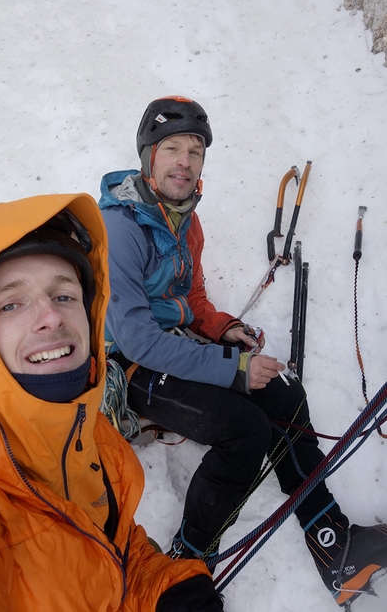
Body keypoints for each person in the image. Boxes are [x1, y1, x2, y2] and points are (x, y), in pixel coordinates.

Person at [98, 95, 387, 609]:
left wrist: (224, 329)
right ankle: (187, 557)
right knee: (244, 429)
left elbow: (192, 298)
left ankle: (332, 542)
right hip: (130, 364)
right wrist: (232, 371)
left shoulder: (186, 220)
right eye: (172, 149)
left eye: (195, 151)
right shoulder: (121, 227)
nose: (185, 162)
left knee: (284, 392)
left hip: (175, 346)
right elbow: (138, 337)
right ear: (148, 157)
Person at [0, 193, 224, 612]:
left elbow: (109, 547)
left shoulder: (93, 436)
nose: (51, 316)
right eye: (11, 303)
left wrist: (164, 587)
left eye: (64, 296)